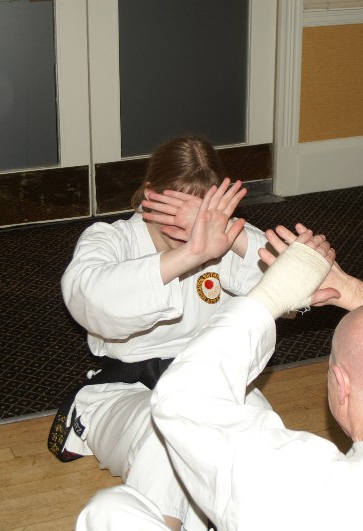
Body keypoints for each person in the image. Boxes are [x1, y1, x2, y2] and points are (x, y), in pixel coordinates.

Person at [78, 215, 363, 530]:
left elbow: (183, 398)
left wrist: (274, 295)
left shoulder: (300, 492)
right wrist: (343, 286)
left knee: (111, 511)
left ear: (341, 386)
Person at [51, 135, 274, 531]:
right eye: (175, 208)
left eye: (200, 213)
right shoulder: (111, 239)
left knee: (259, 440)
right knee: (167, 435)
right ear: (149, 194)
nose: (185, 226)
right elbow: (90, 299)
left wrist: (230, 232)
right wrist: (189, 255)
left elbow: (293, 287)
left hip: (210, 388)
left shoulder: (226, 241)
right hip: (124, 394)